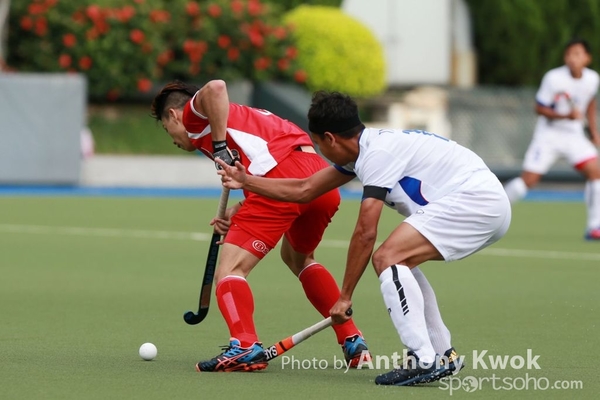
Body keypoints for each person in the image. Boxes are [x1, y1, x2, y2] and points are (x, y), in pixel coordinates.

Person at [216, 91, 512, 386]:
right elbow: (304, 189)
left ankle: (422, 358)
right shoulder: (365, 150)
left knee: (387, 257)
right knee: (402, 263)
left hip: (475, 201)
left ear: (330, 138)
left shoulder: (377, 155)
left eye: (318, 145)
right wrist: (246, 181)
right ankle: (442, 353)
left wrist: (344, 297)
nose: (320, 153)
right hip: (484, 202)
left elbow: (366, 232)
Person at [150, 80, 370, 372]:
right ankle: (352, 340)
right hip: (319, 179)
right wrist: (240, 209)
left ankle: (244, 345)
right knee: (299, 258)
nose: (173, 140)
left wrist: (219, 147)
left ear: (174, 115)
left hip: (284, 178)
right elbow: (279, 164)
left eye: (168, 130)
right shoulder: (244, 117)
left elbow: (216, 87)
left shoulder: (193, 116)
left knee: (230, 270)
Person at [504, 38, 600, 240]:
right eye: (569, 54)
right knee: (528, 181)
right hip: (548, 136)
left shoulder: (592, 78)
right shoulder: (553, 78)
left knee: (596, 173)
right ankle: (490, 210)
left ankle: (594, 227)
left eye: (577, 54)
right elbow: (539, 108)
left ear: (587, 58)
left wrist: (593, 133)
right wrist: (565, 116)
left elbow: (590, 102)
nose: (572, 58)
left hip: (574, 136)